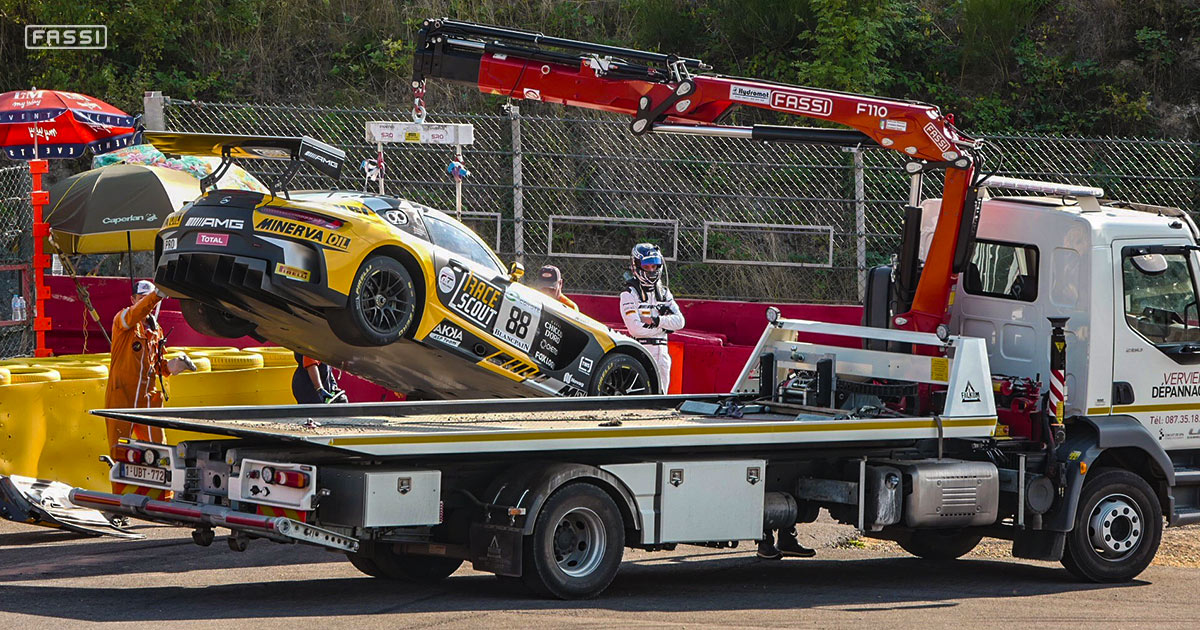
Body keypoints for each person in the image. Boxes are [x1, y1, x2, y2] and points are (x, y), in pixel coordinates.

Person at [105, 280, 196, 492]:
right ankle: (119, 500)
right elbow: (137, 313)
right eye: (142, 298)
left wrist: (175, 365)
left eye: (150, 299)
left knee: (160, 452)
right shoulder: (123, 320)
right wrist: (156, 295)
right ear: (133, 299)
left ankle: (163, 497)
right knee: (120, 452)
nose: (148, 304)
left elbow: (159, 367)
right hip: (122, 399)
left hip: (148, 400)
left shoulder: (156, 331)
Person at [619, 243, 685, 393]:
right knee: (641, 396)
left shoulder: (664, 293)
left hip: (663, 352)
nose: (651, 270)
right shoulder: (629, 293)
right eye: (647, 266)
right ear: (636, 266)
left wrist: (656, 321)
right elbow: (635, 329)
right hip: (641, 352)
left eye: (654, 266)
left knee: (661, 398)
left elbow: (680, 322)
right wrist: (665, 327)